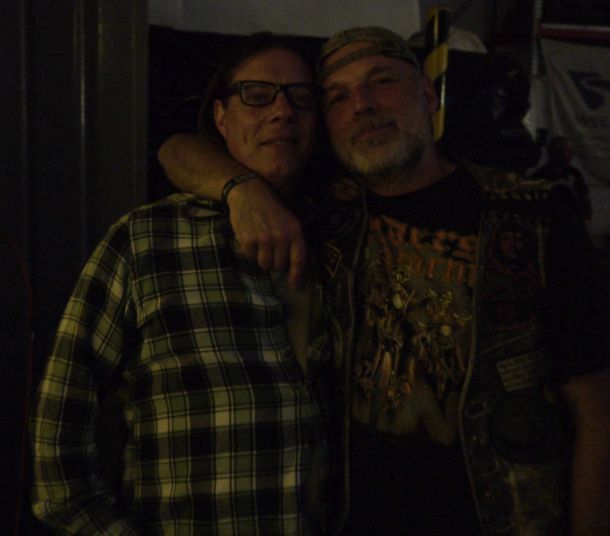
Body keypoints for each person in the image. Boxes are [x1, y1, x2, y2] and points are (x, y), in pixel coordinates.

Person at [158, 27, 610, 536]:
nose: (363, 105)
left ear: (427, 95)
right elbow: (175, 150)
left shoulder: (531, 217)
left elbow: (595, 404)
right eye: (337, 96)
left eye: (382, 82)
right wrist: (242, 190)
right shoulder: (323, 208)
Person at [31, 33, 331, 535]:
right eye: (258, 95)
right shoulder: (147, 239)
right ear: (221, 117)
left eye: (301, 98)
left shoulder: (343, 234)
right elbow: (61, 413)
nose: (283, 112)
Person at [531, 135, 593, 225]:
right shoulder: (540, 175)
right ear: (555, 152)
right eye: (567, 150)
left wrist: (587, 216)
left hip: (572, 223)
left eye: (571, 150)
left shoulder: (574, 173)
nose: (571, 154)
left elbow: (584, 197)